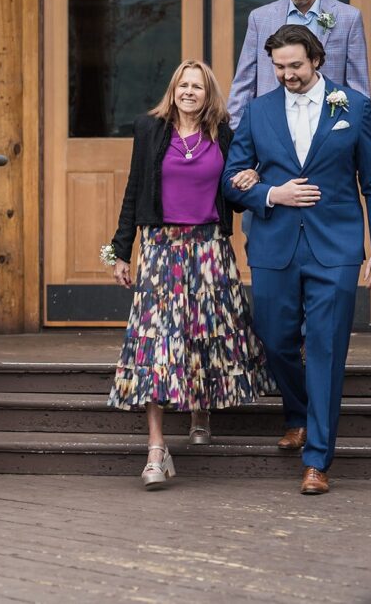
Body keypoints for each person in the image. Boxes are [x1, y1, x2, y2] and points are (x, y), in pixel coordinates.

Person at [221, 25, 371, 495]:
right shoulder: (257, 112)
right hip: (275, 244)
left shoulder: (352, 107)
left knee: (325, 347)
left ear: (316, 59)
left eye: (295, 65)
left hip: (335, 248)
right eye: (279, 67)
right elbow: (231, 179)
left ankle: (317, 458)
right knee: (275, 341)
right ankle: (297, 412)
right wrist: (270, 192)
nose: (287, 75)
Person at [107, 59, 274, 490]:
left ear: (208, 93)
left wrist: (250, 178)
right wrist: (120, 252)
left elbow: (235, 198)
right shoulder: (149, 130)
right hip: (161, 251)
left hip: (210, 251)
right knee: (156, 348)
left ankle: (201, 411)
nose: (189, 92)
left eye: (197, 86)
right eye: (183, 85)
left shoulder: (225, 135)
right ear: (173, 89)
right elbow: (133, 191)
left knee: (204, 336)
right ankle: (156, 451)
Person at [227, 0, 370, 130]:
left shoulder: (348, 18)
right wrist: (236, 136)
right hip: (272, 130)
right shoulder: (260, 19)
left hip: (327, 131)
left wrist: (354, 137)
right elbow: (244, 84)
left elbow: (358, 88)